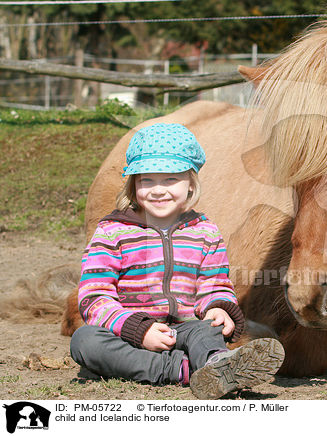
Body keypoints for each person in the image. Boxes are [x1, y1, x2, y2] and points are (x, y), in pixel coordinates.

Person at [70, 122, 284, 399]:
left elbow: (215, 283)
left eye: (170, 179)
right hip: (130, 333)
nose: (158, 190)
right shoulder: (112, 232)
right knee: (85, 341)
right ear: (132, 184)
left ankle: (216, 362)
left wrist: (218, 308)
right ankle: (185, 370)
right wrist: (138, 328)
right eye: (146, 180)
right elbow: (94, 296)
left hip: (187, 328)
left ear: (191, 183)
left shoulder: (205, 232)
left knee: (209, 329)